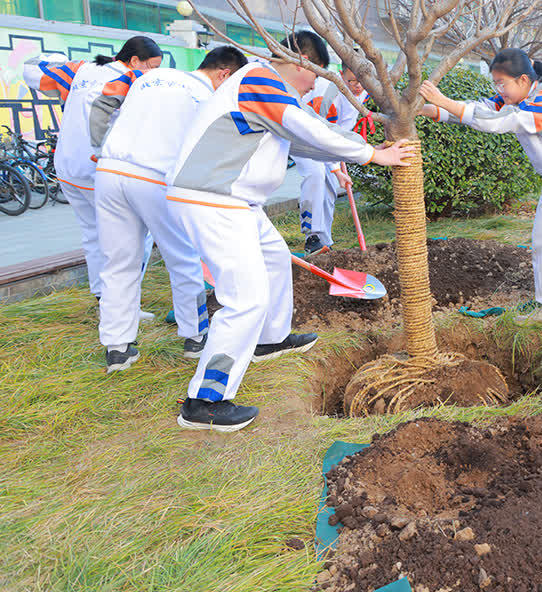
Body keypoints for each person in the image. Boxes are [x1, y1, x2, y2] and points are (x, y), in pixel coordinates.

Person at [165, 32, 414, 432]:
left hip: (237, 201)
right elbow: (306, 127)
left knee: (276, 260)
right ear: (301, 61)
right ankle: (205, 401)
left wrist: (364, 151)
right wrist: (372, 155)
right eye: (316, 74)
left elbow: (307, 138)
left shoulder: (273, 94)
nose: (315, 85)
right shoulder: (259, 78)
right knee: (245, 299)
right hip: (213, 198)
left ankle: (270, 338)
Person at [419, 49, 542, 330]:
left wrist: (442, 100)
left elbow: (500, 122)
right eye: (495, 84)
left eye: (502, 83)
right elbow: (481, 111)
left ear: (523, 79)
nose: (498, 90)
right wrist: (432, 110)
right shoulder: (511, 98)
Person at [89, 46, 249, 373]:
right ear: (225, 74)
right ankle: (195, 336)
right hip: (155, 177)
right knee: (183, 256)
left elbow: (107, 107)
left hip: (109, 171)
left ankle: (118, 348)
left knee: (118, 261)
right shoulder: (207, 97)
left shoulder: (153, 77)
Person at [23, 37, 163, 299]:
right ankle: (122, 300)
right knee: (134, 235)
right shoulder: (132, 80)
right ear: (135, 60)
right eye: (152, 66)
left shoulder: (81, 69)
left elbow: (32, 71)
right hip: (98, 168)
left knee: (92, 233)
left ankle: (101, 295)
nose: (153, 73)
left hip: (67, 166)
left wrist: (56, 59)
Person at [295, 65, 371, 253]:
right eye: (352, 81)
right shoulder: (327, 96)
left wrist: (340, 155)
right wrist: (336, 169)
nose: (358, 86)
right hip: (302, 134)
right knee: (316, 173)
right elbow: (320, 136)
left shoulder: (365, 89)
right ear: (341, 75)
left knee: (330, 185)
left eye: (362, 80)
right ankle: (312, 236)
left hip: (330, 137)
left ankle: (324, 241)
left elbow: (343, 127)